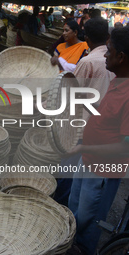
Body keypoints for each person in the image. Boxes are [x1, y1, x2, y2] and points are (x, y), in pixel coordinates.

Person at [66, 26, 129, 255]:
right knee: (75, 212)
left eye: (109, 50)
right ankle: (71, 246)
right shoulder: (118, 80)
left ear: (121, 57)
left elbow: (125, 145)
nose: (104, 54)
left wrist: (85, 146)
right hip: (88, 159)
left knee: (89, 221)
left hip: (102, 169)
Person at [54, 17, 115, 207]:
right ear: (107, 36)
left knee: (68, 173)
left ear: (86, 37)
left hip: (81, 127)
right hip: (103, 130)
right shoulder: (115, 58)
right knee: (85, 184)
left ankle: (59, 210)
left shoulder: (88, 62)